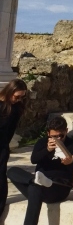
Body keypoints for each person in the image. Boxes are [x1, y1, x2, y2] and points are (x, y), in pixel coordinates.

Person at [7, 116, 73, 225]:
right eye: (54, 136)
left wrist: (70, 163)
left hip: (59, 186)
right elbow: (34, 160)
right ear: (48, 134)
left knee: (34, 188)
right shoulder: (42, 143)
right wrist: (47, 150)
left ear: (66, 131)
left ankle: (37, 181)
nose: (59, 139)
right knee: (12, 171)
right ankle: (36, 180)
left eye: (61, 135)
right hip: (41, 184)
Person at [0, 79, 27, 215]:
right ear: (10, 91)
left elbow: (10, 131)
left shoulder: (16, 108)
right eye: (17, 96)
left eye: (22, 97)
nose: (19, 100)